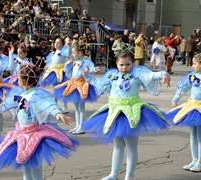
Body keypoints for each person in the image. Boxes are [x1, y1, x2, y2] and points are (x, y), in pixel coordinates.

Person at [82, 50, 171, 180]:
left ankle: (129, 176)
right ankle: (114, 174)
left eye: (128, 64)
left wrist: (163, 74)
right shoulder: (112, 75)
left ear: (133, 63)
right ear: (116, 64)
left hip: (131, 112)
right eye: (121, 65)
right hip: (115, 112)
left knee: (131, 145)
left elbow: (152, 75)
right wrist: (88, 77)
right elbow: (99, 84)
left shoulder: (137, 74)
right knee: (117, 145)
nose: (124, 68)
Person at [0, 64, 79, 180]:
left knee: (35, 170)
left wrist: (57, 113)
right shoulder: (21, 94)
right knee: (26, 170)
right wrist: (5, 101)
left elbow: (48, 104)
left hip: (34, 136)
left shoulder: (37, 95)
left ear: (22, 80)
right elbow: (14, 105)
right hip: (21, 134)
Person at [54, 38, 98, 135]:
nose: (72, 55)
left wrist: (90, 71)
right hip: (73, 84)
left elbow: (90, 70)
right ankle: (78, 125)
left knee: (81, 107)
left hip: (81, 86)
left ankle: (82, 126)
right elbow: (70, 75)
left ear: (80, 53)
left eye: (74, 53)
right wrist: (67, 66)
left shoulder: (85, 62)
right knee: (77, 108)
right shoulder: (75, 63)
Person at [166, 53, 201, 172]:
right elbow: (183, 88)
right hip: (192, 106)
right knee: (193, 135)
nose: (192, 66)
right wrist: (175, 98)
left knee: (200, 136)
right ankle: (194, 159)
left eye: (195, 64)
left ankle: (200, 162)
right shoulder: (192, 76)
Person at [39, 37, 71, 114]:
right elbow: (50, 62)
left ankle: (65, 107)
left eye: (58, 43)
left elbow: (69, 54)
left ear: (62, 45)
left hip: (61, 72)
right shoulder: (52, 53)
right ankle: (55, 105)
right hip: (54, 72)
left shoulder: (63, 52)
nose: (56, 44)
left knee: (63, 90)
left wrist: (69, 46)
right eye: (55, 42)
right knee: (55, 89)